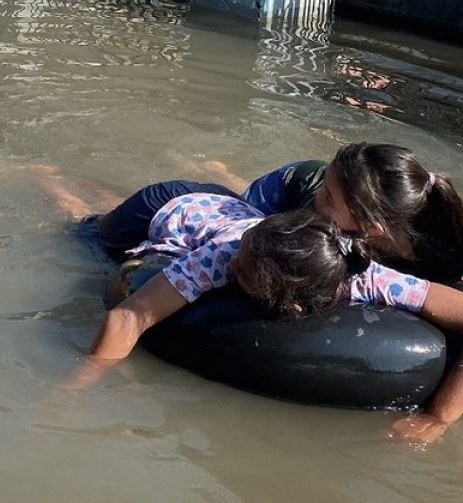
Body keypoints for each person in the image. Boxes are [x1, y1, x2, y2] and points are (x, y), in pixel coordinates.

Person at [52, 183, 463, 445]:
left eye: (244, 273)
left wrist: (438, 417)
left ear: (292, 302)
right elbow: (129, 317)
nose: (234, 269)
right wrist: (76, 387)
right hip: (171, 210)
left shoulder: (366, 277)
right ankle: (49, 181)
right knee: (78, 225)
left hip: (225, 213)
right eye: (240, 260)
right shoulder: (226, 254)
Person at [95, 143, 463, 283]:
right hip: (289, 185)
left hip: (329, 188)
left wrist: (437, 419)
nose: (322, 201)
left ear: (373, 230)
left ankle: (217, 172)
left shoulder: (442, 247)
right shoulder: (321, 210)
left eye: (329, 199)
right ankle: (54, 181)